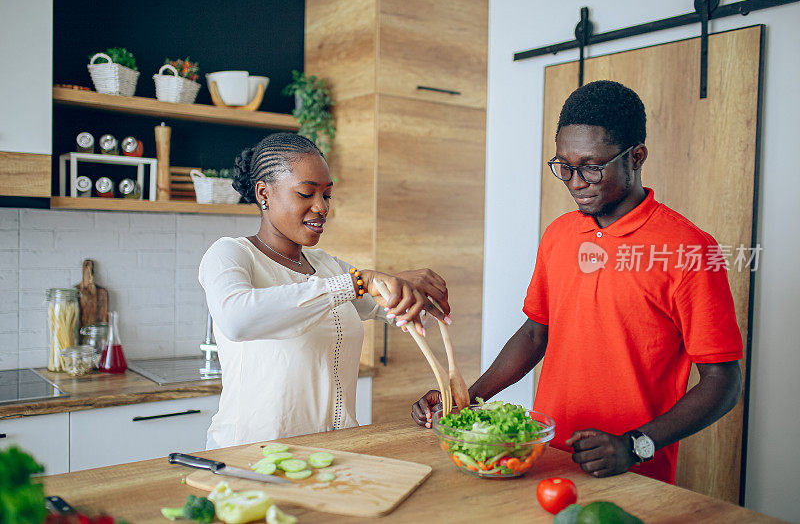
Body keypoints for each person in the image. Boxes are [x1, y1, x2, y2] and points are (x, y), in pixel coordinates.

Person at [412, 80, 743, 484]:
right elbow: (535, 334)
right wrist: (465, 400)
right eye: (563, 167)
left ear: (636, 157)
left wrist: (635, 444)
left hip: (631, 470)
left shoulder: (689, 249)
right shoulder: (559, 235)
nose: (575, 181)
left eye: (591, 166)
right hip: (543, 461)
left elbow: (723, 382)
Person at [200, 132, 450, 449]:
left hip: (336, 455)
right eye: (306, 193)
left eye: (327, 196)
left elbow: (396, 311)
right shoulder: (231, 254)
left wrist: (414, 293)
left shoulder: (327, 266)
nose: (321, 207)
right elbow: (238, 318)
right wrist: (360, 282)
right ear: (264, 193)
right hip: (252, 459)